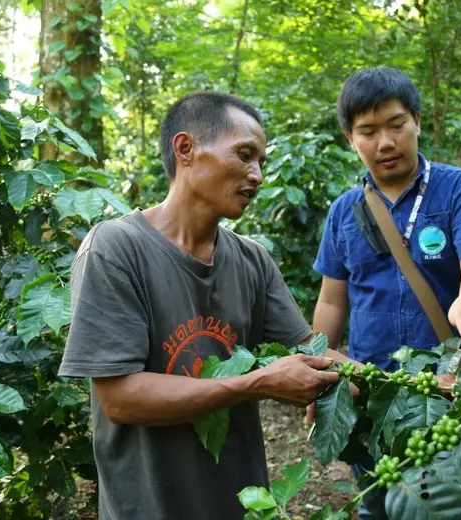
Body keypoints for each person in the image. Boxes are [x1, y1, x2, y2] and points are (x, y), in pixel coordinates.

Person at [58, 91, 340, 520]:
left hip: (245, 504)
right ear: (186, 149)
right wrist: (256, 383)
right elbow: (120, 398)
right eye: (245, 155)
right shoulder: (114, 248)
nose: (257, 174)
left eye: (261, 160)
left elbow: (311, 353)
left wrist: (426, 387)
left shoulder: (252, 259)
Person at [310, 66, 461, 519]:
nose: (385, 142)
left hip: (447, 385)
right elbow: (332, 300)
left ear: (417, 121)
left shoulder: (458, 188)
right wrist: (320, 374)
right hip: (370, 388)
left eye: (396, 125)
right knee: (377, 502)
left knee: (452, 502)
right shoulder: (344, 211)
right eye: (368, 131)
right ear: (350, 139)